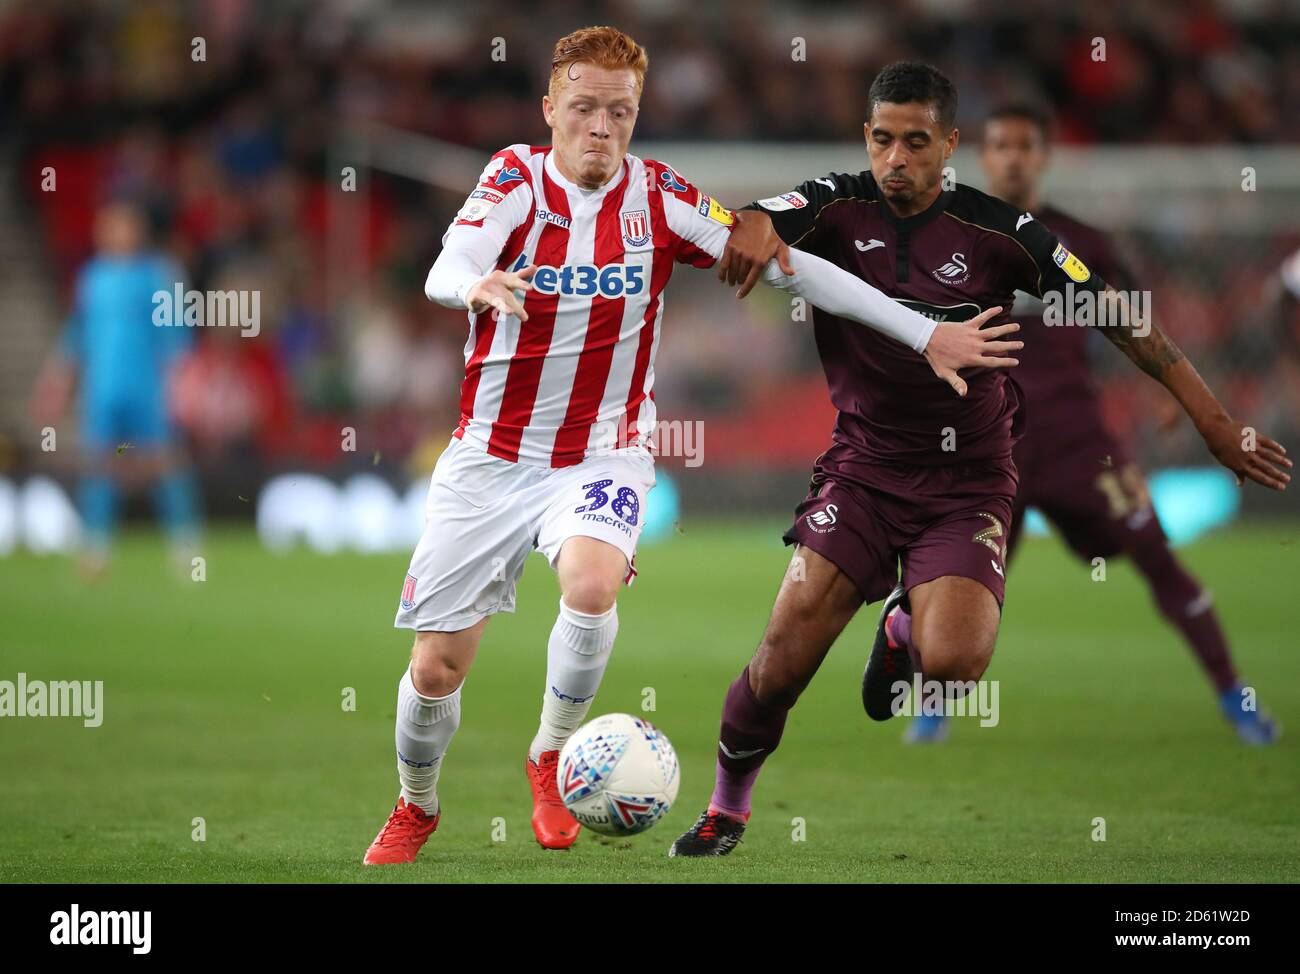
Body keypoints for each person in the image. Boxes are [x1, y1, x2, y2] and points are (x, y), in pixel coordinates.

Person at [362, 30, 1016, 865]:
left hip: (605, 450)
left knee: (593, 587)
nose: (601, 126)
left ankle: (553, 753)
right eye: (584, 107)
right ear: (550, 109)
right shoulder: (512, 179)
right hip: (489, 457)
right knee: (437, 670)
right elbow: (445, 266)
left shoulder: (661, 197)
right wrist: (475, 283)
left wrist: (924, 331)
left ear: (636, 114)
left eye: (620, 111)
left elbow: (792, 268)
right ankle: (417, 804)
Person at [669, 62, 1289, 857]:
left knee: (955, 663)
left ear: (950, 145)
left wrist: (1214, 422)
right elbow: (757, 218)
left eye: (917, 142)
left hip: (969, 480)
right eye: (884, 139)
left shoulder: (1003, 233)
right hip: (863, 467)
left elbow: (1122, 320)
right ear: (867, 137)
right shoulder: (836, 202)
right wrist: (754, 220)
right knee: (782, 661)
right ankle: (728, 807)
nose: (897, 157)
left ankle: (901, 628)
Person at [903, 103, 1278, 747]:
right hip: (994, 450)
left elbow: (1134, 315)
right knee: (958, 584)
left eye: (1026, 145)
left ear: (1044, 155)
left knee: (1158, 557)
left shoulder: (1084, 241)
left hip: (1084, 447)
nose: (1013, 156)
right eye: (1001, 145)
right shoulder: (956, 237)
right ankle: (933, 706)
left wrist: (1159, 388)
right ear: (983, 156)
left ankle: (1234, 697)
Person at [33, 200, 201, 577]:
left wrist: (182, 383)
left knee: (165, 462)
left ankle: (185, 544)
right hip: (103, 390)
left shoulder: (157, 275)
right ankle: (96, 547)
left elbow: (175, 338)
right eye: (107, 226)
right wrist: (58, 379)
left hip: (147, 388)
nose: (114, 234)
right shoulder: (91, 277)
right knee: (99, 465)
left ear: (137, 231)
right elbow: (77, 332)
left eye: (122, 226)